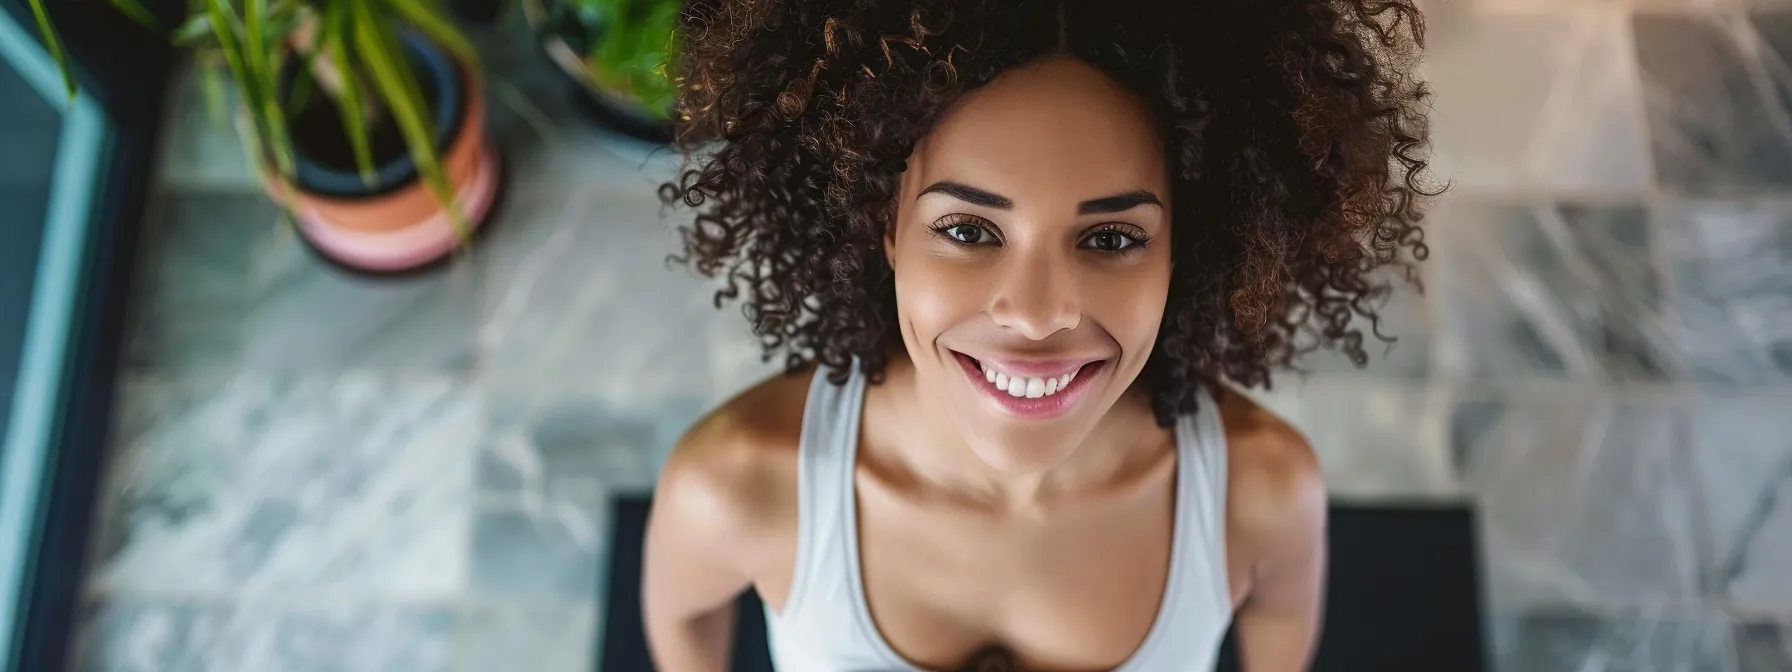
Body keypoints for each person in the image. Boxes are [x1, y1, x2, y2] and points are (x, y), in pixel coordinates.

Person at [643, 0, 1436, 669]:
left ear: (1184, 249)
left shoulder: (1262, 495)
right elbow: (680, 620)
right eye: (968, 229)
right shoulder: (735, 489)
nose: (1034, 314)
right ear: (884, 226)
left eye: (1111, 239)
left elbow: (1280, 631)